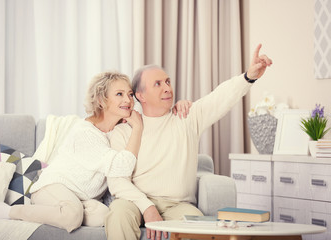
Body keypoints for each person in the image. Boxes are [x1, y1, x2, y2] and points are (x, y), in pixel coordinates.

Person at [105, 44, 273, 240]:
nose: (168, 88)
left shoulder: (187, 117)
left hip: (177, 205)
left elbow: (219, 98)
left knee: (198, 228)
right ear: (140, 95)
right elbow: (117, 181)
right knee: (118, 214)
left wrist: (248, 76)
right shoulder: (123, 130)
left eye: (167, 81)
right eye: (158, 84)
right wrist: (147, 207)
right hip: (133, 201)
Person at [0, 71, 143, 232]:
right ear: (101, 100)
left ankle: (60, 211)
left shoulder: (117, 131)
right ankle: (9, 212)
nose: (128, 100)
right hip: (53, 187)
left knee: (103, 216)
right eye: (119, 94)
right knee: (72, 217)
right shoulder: (85, 133)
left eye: (130, 94)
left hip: (82, 198)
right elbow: (122, 167)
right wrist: (137, 129)